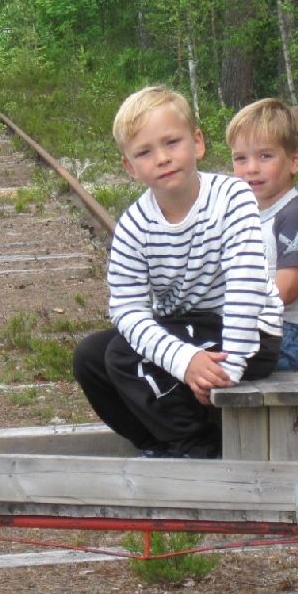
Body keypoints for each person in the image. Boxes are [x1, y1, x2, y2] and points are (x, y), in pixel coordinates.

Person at [72, 85, 283, 458]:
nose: (163, 158)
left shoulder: (232, 198)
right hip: (187, 332)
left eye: (172, 142)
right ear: (130, 167)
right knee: (91, 356)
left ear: (197, 143)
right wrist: (183, 361)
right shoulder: (134, 224)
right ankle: (163, 445)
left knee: (122, 354)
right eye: (145, 152)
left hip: (247, 335)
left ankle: (199, 449)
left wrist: (230, 367)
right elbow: (127, 309)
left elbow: (245, 286)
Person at [227, 98, 298, 373]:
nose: (251, 169)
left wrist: (232, 309)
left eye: (265, 156)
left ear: (294, 160)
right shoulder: (250, 214)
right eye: (241, 158)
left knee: (194, 353)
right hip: (258, 327)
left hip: (286, 334)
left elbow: (288, 289)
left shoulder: (293, 215)